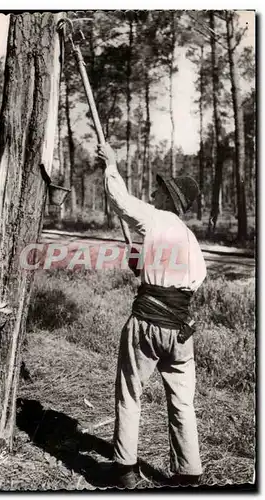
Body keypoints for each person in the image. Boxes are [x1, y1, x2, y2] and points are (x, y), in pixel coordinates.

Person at [97, 143, 207, 489]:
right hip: (180, 332)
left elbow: (121, 201)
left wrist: (111, 164)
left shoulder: (156, 218)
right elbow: (188, 284)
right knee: (182, 401)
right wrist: (142, 264)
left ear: (168, 198)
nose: (153, 192)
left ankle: (124, 470)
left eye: (158, 189)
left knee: (130, 392)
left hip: (147, 324)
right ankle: (189, 473)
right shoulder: (190, 239)